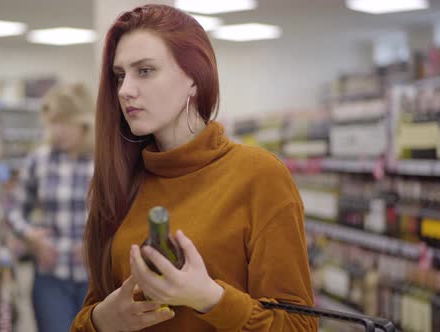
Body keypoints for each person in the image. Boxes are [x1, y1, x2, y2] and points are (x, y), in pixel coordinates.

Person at [72, 4, 317, 332]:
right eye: (120, 75)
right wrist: (101, 320)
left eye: (145, 71)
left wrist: (210, 298)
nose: (125, 90)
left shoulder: (259, 175)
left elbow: (299, 326)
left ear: (194, 79)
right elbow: (90, 311)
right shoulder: (120, 180)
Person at [8, 83, 94, 332]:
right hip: (50, 276)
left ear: (83, 122)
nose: (57, 131)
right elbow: (14, 210)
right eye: (52, 123)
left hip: (96, 277)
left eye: (64, 122)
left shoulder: (105, 161)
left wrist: (102, 243)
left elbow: (126, 215)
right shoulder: (38, 161)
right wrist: (29, 235)